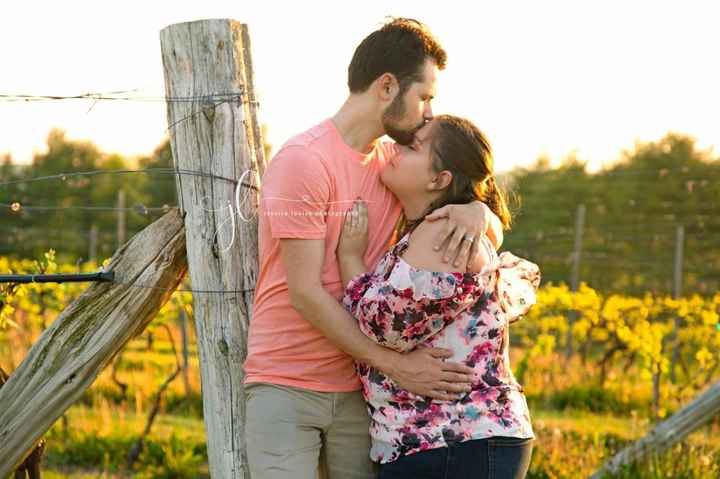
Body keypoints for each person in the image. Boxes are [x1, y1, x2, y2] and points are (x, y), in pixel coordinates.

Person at [244, 18, 504, 479]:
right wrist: (395, 365)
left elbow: (464, 211)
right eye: (424, 96)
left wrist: (479, 214)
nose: (428, 113)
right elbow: (305, 292)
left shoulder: (393, 166)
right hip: (288, 383)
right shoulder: (305, 160)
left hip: (358, 389)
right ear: (387, 87)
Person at [337, 115, 540, 479]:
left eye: (413, 147)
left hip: (454, 442)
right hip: (448, 442)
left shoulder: (441, 234)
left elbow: (384, 327)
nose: (395, 150)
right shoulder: (435, 229)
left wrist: (350, 258)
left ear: (439, 179)